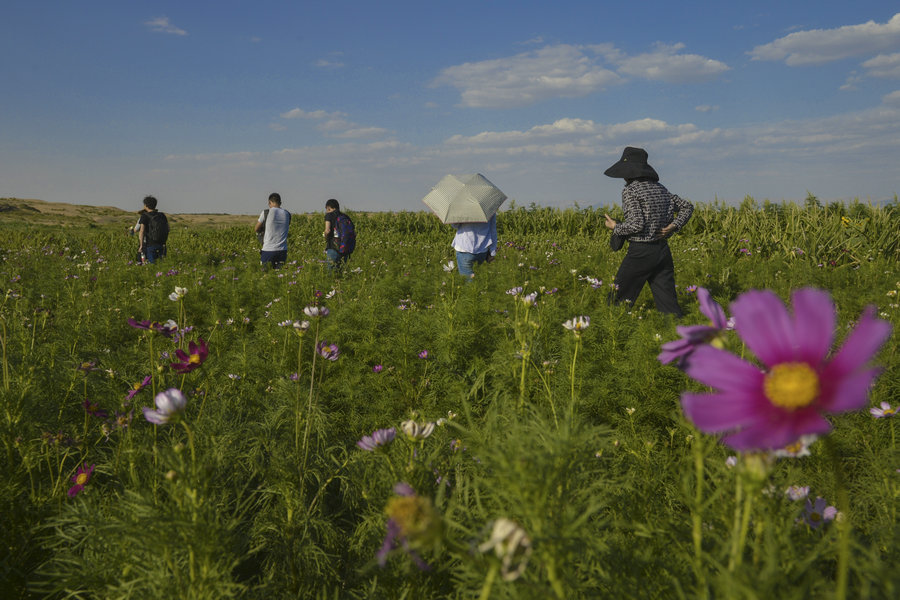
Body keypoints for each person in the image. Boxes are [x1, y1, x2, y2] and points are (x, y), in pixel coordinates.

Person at [603, 147, 693, 316]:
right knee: (669, 306)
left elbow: (636, 225)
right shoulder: (661, 188)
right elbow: (687, 207)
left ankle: (612, 329)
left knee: (617, 300)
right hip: (662, 250)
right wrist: (673, 226)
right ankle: (676, 330)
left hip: (640, 251)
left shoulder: (631, 190)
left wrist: (615, 227)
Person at [450, 213, 498, 279]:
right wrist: (492, 252)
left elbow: (455, 225)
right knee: (478, 279)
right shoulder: (489, 209)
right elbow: (493, 230)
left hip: (464, 249)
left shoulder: (463, 208)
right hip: (482, 250)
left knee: (468, 281)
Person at [255, 193, 291, 269]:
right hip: (282, 250)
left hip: (268, 250)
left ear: (269, 202)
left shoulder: (266, 212)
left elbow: (256, 229)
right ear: (280, 203)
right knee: (280, 274)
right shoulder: (287, 214)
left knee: (265, 273)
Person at [322, 198, 354, 270]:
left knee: (331, 273)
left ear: (328, 208)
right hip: (344, 248)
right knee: (341, 272)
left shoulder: (329, 215)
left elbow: (327, 230)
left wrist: (326, 237)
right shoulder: (345, 216)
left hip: (333, 248)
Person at [137, 196, 169, 264]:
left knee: (152, 265)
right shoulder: (162, 215)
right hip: (162, 244)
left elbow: (142, 231)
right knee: (161, 265)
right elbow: (167, 228)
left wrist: (141, 245)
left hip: (150, 245)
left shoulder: (145, 216)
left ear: (146, 205)